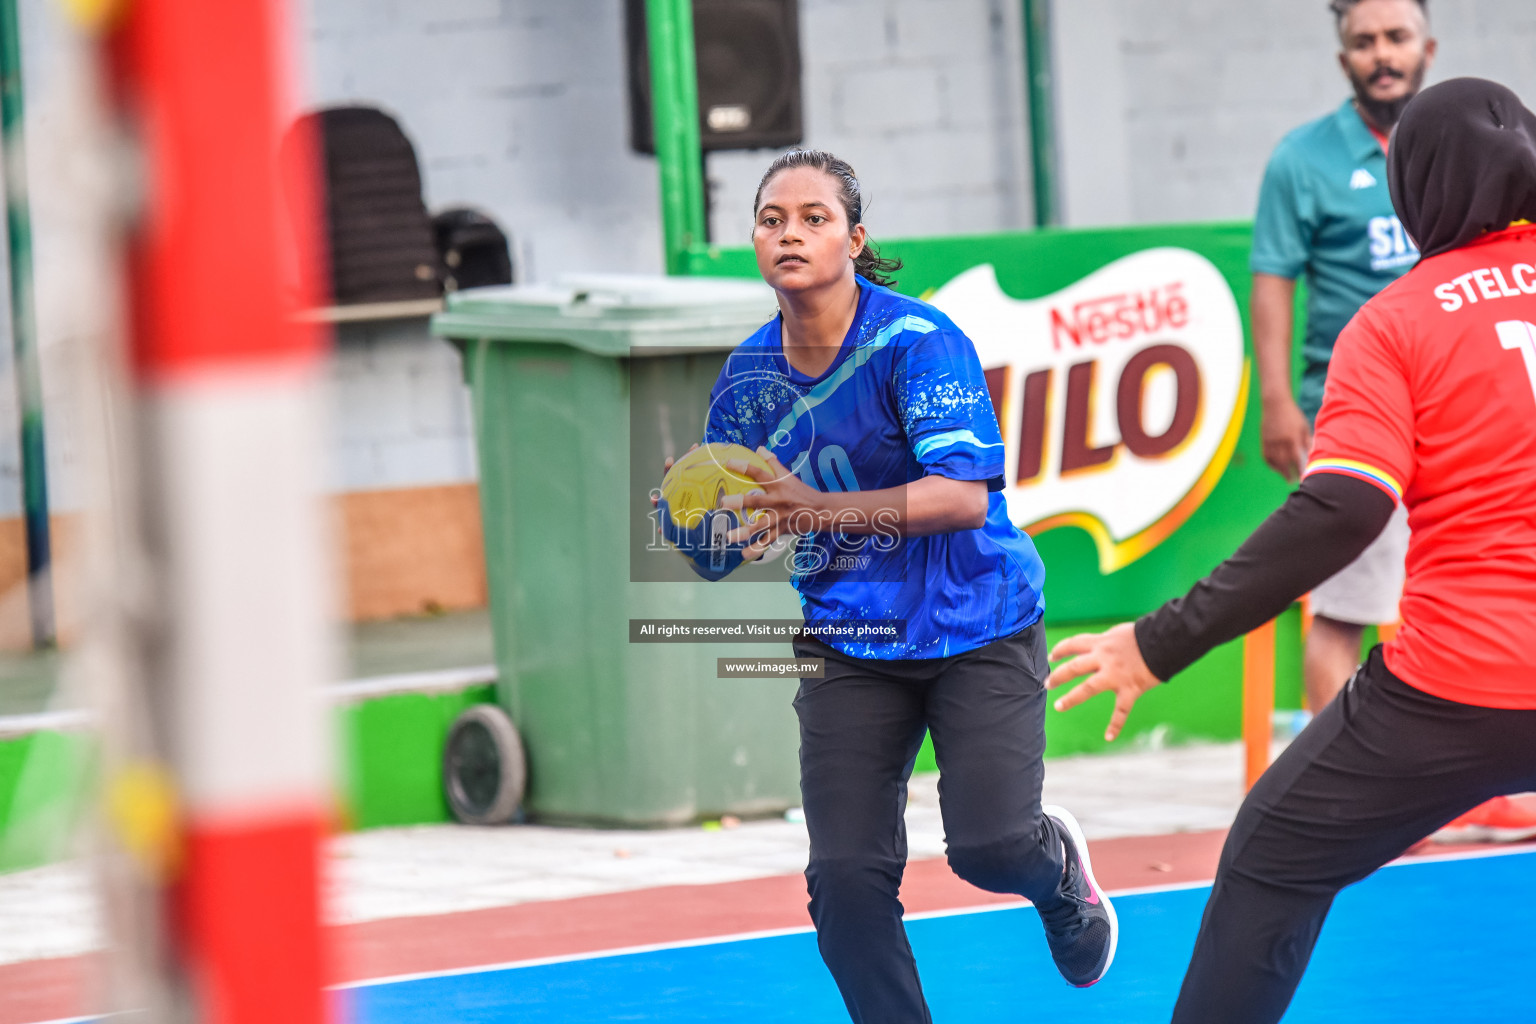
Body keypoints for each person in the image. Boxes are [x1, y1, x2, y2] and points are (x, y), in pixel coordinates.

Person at [1048, 78, 1536, 1023]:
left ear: (1415, 189)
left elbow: (1338, 513)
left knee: (1270, 860)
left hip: (1460, 688)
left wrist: (1158, 642)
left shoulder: (1396, 322)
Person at [678, 150, 1116, 1022]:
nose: (790, 233)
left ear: (855, 239)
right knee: (843, 889)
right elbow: (721, 549)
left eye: (814, 217)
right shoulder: (747, 384)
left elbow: (959, 498)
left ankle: (1056, 870)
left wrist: (815, 510)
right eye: (772, 219)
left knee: (990, 848)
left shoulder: (916, 342)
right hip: (852, 644)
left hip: (975, 621)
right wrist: (695, 522)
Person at [1251, 0, 1434, 714]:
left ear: (1428, 45)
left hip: (1462, 409)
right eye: (1364, 42)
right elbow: (1273, 283)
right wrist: (1276, 401)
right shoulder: (1303, 158)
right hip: (1357, 414)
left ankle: (1484, 786)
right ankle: (1342, 806)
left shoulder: (1463, 145)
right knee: (1346, 603)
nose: (1382, 54)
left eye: (1396, 37)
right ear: (1343, 59)